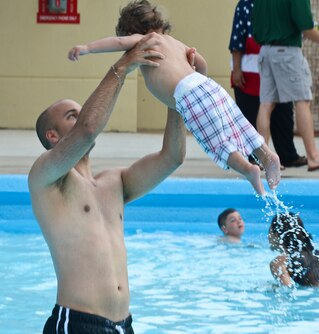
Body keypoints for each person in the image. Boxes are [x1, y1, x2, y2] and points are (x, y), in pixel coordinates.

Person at [29, 34, 188, 334]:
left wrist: (177, 93)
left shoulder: (114, 182)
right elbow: (87, 130)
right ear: (53, 136)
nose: (83, 115)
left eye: (81, 109)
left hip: (122, 331)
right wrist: (123, 65)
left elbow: (172, 158)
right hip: (76, 328)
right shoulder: (46, 178)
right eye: (73, 114)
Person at [67, 0, 281, 196]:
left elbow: (117, 42)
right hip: (209, 87)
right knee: (238, 124)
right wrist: (196, 78)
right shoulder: (175, 42)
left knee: (216, 140)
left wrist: (86, 48)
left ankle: (248, 169)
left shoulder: (143, 40)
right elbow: (202, 63)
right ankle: (266, 155)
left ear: (131, 31)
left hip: (189, 95)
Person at [229, 0, 307, 169]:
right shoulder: (245, 5)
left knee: (283, 114)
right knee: (249, 115)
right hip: (249, 70)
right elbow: (237, 39)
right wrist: (236, 69)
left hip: (277, 66)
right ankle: (255, 157)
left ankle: (287, 155)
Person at [252, 0, 319, 172]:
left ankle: (263, 159)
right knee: (302, 100)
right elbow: (306, 27)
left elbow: (255, 29)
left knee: (266, 104)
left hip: (265, 52)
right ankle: (313, 158)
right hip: (287, 53)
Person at [268, 212, 319, 287]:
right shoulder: (316, 254)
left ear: (277, 234)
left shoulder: (279, 263)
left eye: (270, 232)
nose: (268, 236)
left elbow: (287, 291)